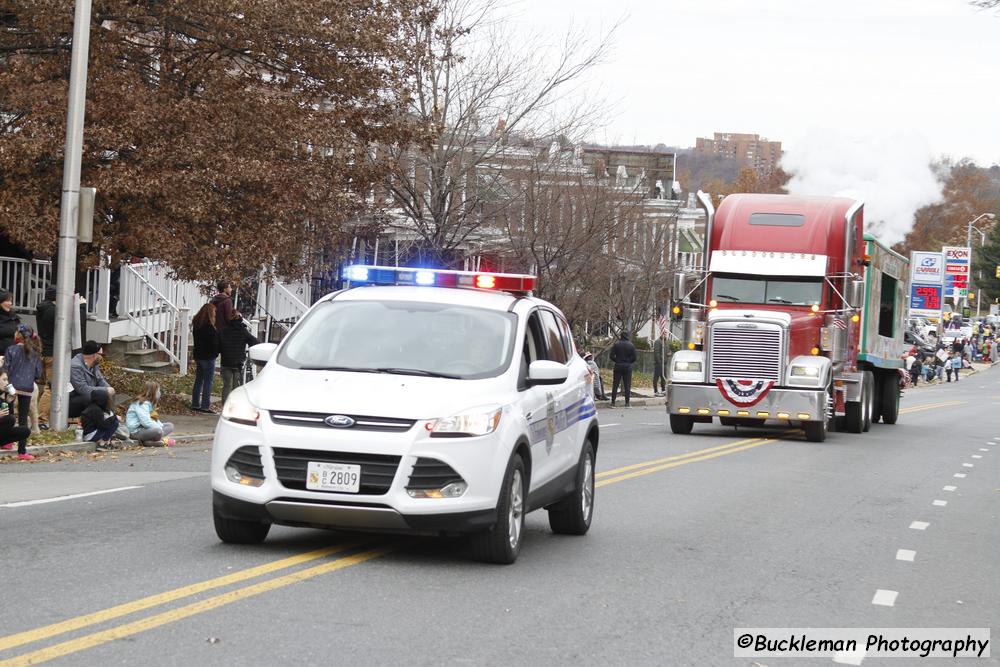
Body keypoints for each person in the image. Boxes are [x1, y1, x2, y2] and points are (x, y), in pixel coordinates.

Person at [2, 325, 43, 458]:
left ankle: (7, 442)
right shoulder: (35, 353)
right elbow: (38, 374)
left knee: (10, 416)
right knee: (23, 419)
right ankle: (22, 451)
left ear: (18, 335)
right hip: (27, 389)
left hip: (11, 387)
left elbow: (5, 368)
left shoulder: (11, 350)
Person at [219, 310, 259, 405]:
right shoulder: (243, 330)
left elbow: (218, 345)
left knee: (226, 385)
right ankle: (234, 406)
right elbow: (254, 341)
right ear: (240, 319)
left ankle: (224, 406)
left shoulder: (223, 330)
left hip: (226, 361)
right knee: (236, 386)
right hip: (238, 363)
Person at [68, 340, 115, 418]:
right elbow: (83, 389)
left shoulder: (94, 364)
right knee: (102, 395)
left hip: (87, 396)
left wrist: (109, 389)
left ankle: (110, 417)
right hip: (73, 401)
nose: (101, 357)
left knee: (109, 392)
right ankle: (103, 418)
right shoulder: (75, 366)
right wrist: (105, 390)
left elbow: (100, 380)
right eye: (101, 354)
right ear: (94, 355)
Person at [125, 381, 175, 446]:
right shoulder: (142, 403)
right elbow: (145, 422)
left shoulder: (149, 403)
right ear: (153, 391)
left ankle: (148, 441)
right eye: (158, 390)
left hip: (145, 429)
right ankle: (155, 441)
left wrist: (160, 426)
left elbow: (153, 419)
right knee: (158, 431)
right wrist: (159, 428)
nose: (159, 393)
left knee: (169, 426)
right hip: (136, 432)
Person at [191, 303, 220, 413]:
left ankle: (195, 403)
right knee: (208, 381)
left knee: (199, 380)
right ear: (210, 313)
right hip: (208, 357)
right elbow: (213, 344)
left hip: (199, 355)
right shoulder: (210, 328)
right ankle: (205, 405)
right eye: (214, 312)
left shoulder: (197, 325)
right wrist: (216, 353)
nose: (215, 314)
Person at [0, 371, 32, 460]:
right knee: (10, 420)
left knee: (25, 431)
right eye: (4, 379)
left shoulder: (2, 396)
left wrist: (9, 402)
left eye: (7, 380)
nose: (7, 383)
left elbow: (7, 417)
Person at [609, 330, 637, 408]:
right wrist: (628, 362)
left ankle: (613, 402)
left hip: (618, 365)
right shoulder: (631, 345)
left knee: (615, 384)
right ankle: (627, 403)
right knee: (627, 385)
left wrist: (617, 360)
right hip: (627, 366)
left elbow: (611, 356)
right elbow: (634, 357)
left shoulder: (616, 345)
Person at [0, 291, 21, 356]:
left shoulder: (14, 317)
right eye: (7, 301)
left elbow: (21, 334)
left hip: (13, 357)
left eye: (11, 301)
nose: (10, 303)